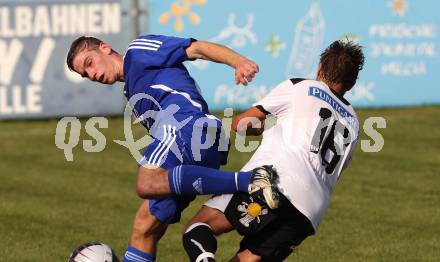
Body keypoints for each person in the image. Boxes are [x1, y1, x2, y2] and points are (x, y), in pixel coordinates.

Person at [66, 34, 279, 262]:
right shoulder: (132, 89)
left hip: (187, 125)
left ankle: (251, 181)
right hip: (196, 141)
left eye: (89, 63)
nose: (91, 74)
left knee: (146, 181)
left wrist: (238, 61)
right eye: (85, 75)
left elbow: (197, 48)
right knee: (145, 226)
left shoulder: (137, 51)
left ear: (105, 48)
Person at [181, 40, 365, 262]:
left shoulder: (300, 86)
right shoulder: (353, 122)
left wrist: (260, 129)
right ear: (352, 84)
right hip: (310, 211)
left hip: (274, 182)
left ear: (320, 68)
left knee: (198, 228)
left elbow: (241, 124)